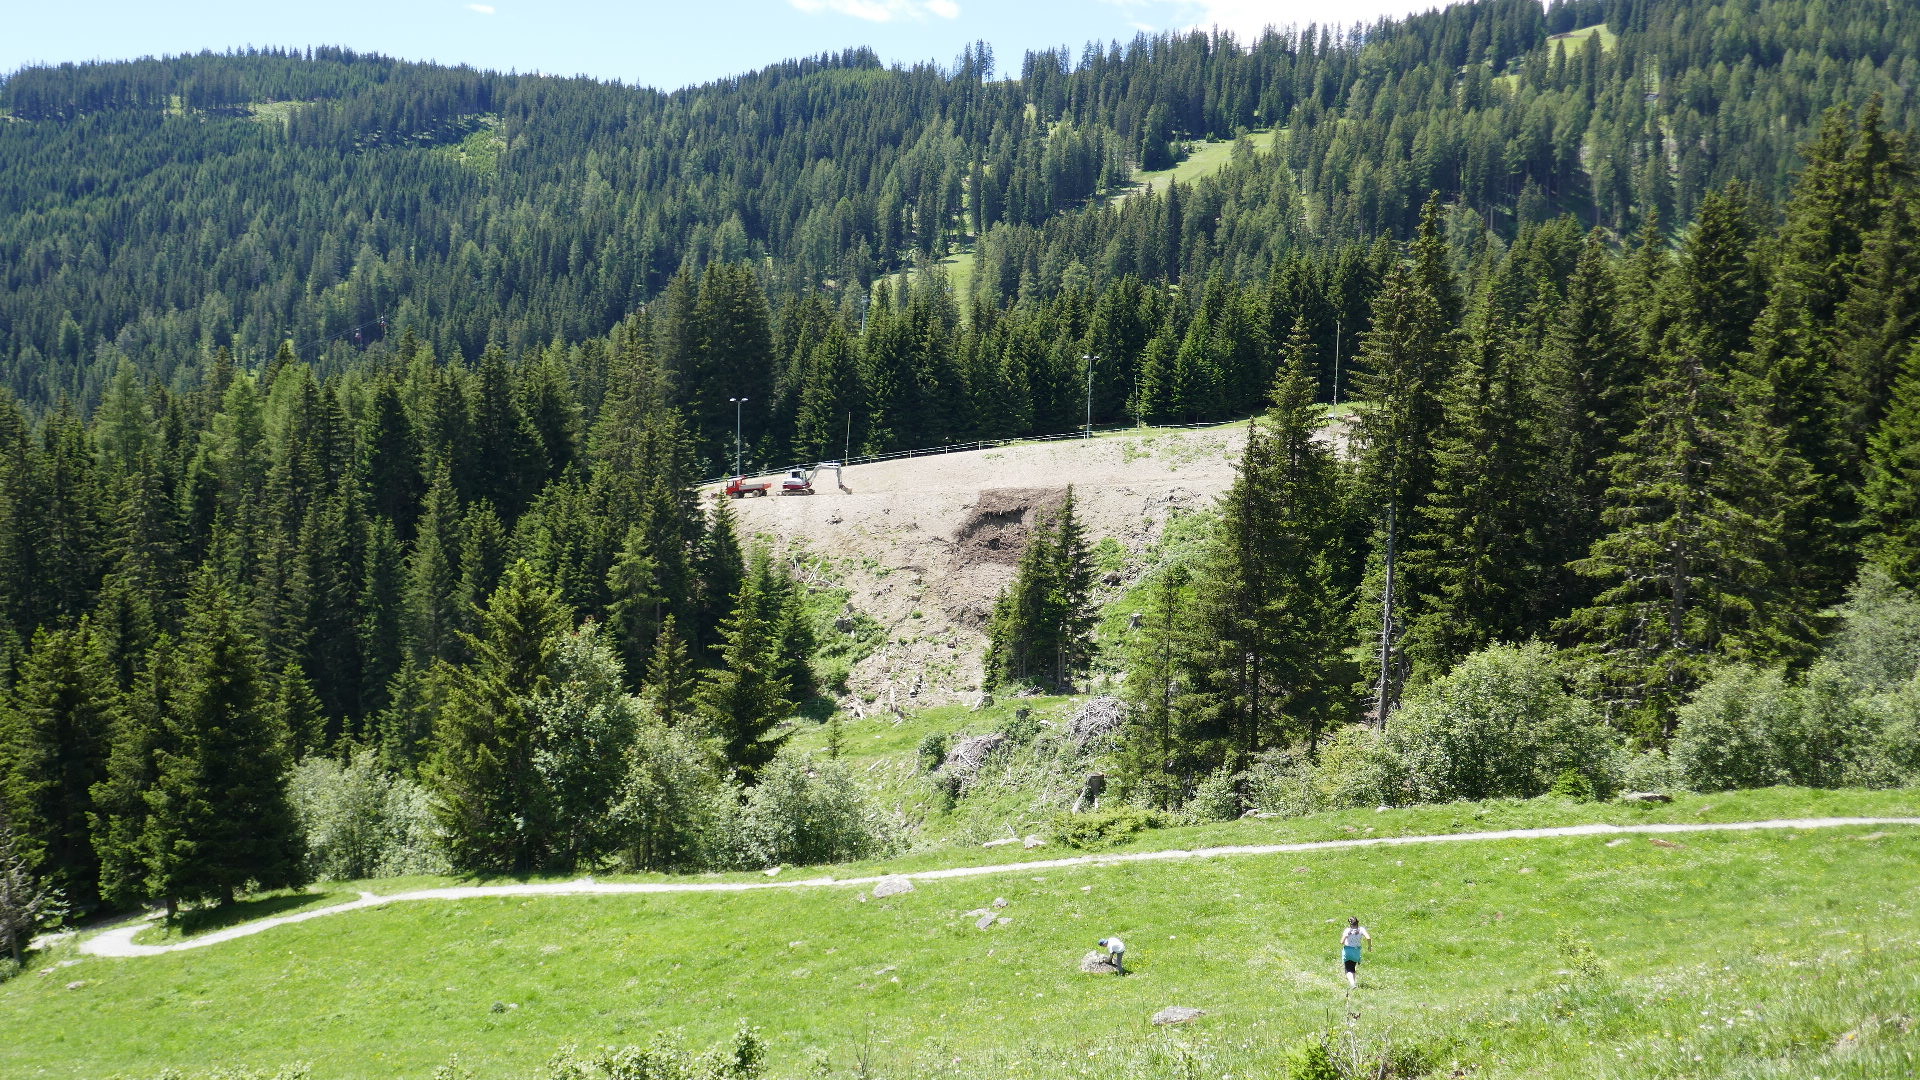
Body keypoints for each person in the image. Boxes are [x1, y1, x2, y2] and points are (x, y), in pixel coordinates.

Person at [1340, 917, 1371, 988]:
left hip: (1348, 951)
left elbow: (1341, 942)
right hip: (1356, 951)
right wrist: (1369, 946)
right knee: (1352, 967)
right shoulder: (1361, 929)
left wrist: (1346, 941)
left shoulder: (1347, 930)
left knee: (1348, 969)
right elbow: (1368, 938)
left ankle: (1352, 984)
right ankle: (1353, 984)